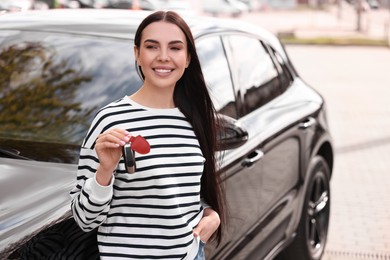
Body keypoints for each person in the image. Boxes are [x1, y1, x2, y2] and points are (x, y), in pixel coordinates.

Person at [70, 10, 225, 259]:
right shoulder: (110, 120)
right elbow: (84, 220)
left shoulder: (196, 117)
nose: (163, 57)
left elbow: (185, 193)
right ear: (137, 54)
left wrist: (211, 214)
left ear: (187, 59)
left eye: (175, 48)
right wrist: (104, 172)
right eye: (152, 47)